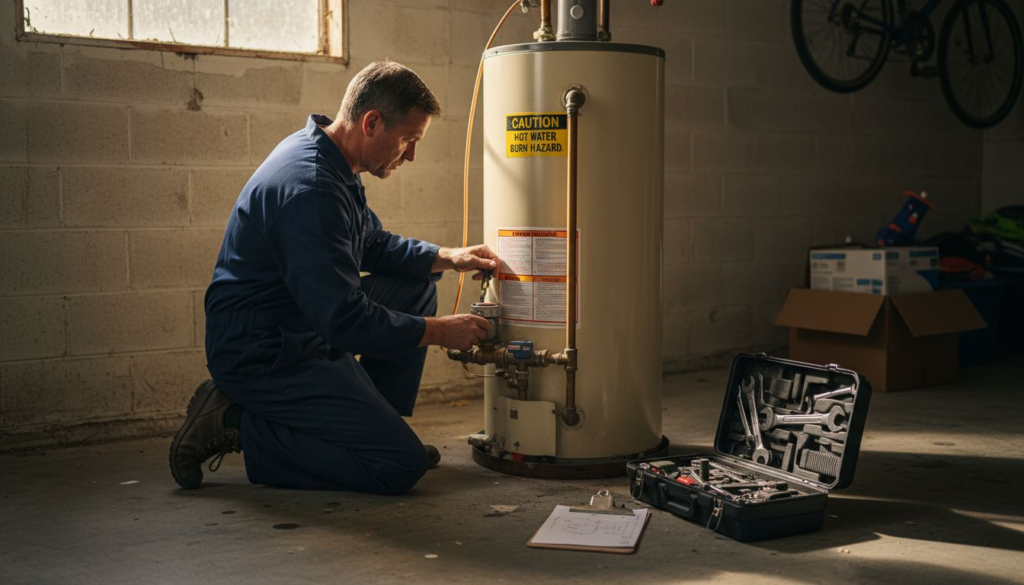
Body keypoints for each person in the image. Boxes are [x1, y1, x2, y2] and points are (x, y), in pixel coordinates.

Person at [169, 60, 498, 495]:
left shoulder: (331, 157)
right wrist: (440, 332)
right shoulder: (313, 188)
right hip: (263, 351)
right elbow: (344, 320)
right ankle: (235, 423)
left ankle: (374, 424)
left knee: (414, 285)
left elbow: (371, 244)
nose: (411, 155)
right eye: (408, 141)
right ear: (372, 122)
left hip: (295, 322)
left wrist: (447, 257)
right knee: (397, 465)